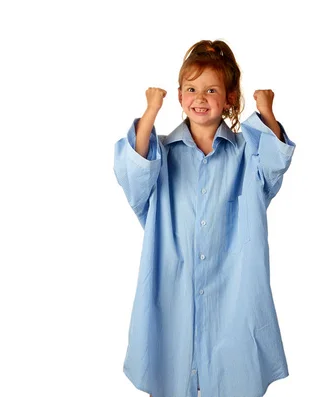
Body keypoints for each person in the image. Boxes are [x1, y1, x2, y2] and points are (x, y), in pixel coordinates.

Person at [113, 40, 296, 397]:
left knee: (234, 377)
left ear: (228, 98)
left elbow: (275, 164)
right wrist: (150, 111)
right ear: (180, 96)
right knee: (170, 372)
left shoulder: (247, 154)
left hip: (234, 297)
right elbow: (132, 176)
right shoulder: (160, 154)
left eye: (211, 89)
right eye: (192, 89)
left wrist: (266, 111)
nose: (200, 97)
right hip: (172, 292)